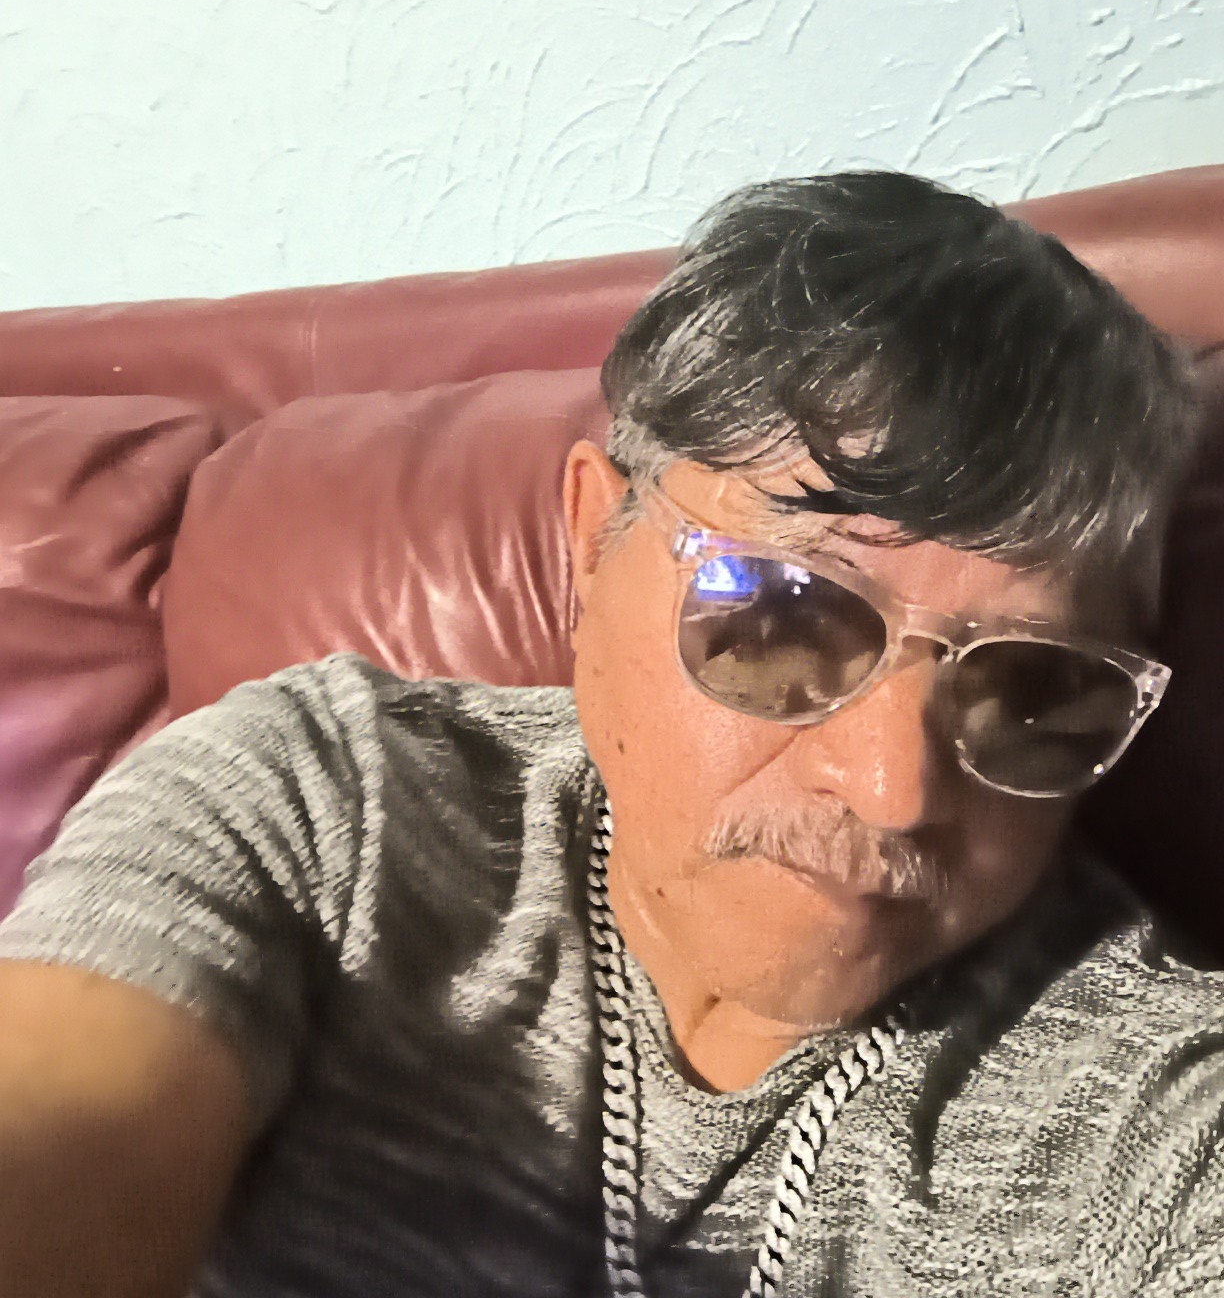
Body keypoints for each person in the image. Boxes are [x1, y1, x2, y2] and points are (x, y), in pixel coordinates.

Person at [0, 172, 1220, 1298]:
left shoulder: (1144, 1108)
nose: (893, 788)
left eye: (1030, 688)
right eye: (784, 615)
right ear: (594, 541)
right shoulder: (325, 804)